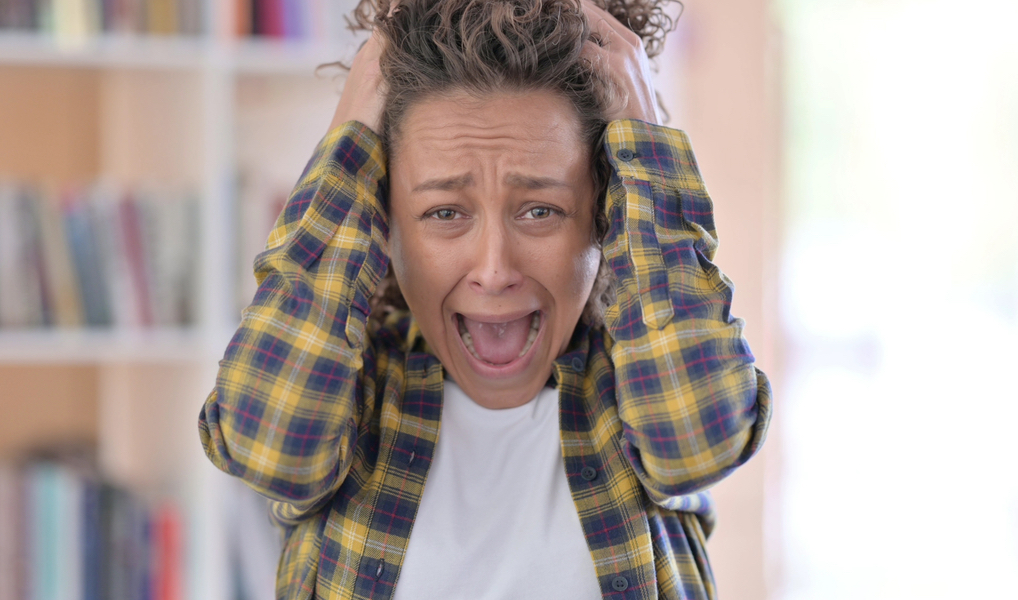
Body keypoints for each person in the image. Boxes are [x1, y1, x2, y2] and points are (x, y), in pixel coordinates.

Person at [198, 0, 773, 598]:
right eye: (444, 212)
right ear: (384, 221)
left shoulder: (641, 384)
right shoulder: (349, 396)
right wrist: (348, 154)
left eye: (541, 210)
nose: (494, 270)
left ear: (604, 214)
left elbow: (699, 442)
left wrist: (648, 148)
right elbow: (265, 447)